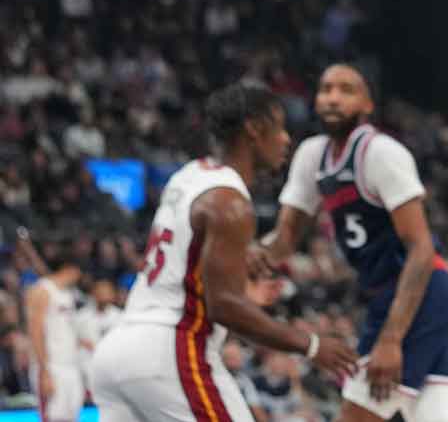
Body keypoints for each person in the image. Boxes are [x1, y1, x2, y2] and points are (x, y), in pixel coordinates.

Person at [88, 84, 359, 422]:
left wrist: (243, 290)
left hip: (119, 348)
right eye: (279, 127)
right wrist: (311, 345)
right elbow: (224, 307)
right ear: (253, 130)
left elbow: (184, 267)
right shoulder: (230, 202)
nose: (287, 139)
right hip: (169, 349)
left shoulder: (189, 175)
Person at [255, 64, 448, 422]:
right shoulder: (312, 155)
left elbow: (421, 249)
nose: (333, 97)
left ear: (367, 104)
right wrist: (248, 256)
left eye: (346, 89)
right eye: (325, 89)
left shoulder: (381, 152)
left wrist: (390, 339)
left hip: (420, 296)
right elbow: (284, 240)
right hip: (393, 298)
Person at [24, 247, 84, 422]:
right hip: (52, 367)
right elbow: (35, 332)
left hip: (71, 366)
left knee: (71, 417)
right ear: (70, 269)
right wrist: (44, 371)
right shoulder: (42, 291)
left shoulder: (68, 293)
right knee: (53, 418)